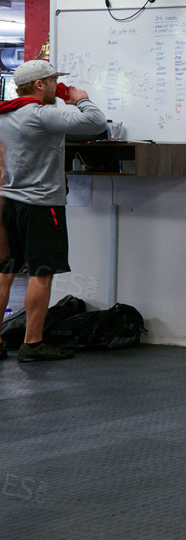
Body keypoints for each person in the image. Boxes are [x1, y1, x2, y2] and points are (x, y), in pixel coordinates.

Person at [0, 59, 107, 361]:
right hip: (40, 205)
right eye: (52, 81)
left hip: (6, 203)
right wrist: (80, 99)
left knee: (4, 273)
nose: (55, 86)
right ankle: (33, 343)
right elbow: (96, 123)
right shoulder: (42, 114)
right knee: (41, 272)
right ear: (39, 85)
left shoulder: (5, 114)